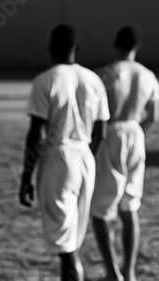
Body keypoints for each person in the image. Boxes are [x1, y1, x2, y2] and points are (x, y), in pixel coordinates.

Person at [19, 25, 110, 281]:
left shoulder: (46, 79)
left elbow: (35, 132)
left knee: (66, 247)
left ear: (50, 48)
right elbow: (101, 132)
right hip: (86, 157)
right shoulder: (94, 80)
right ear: (77, 49)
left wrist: (27, 176)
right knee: (72, 238)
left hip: (59, 157)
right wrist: (85, 156)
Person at [90, 27, 159, 281]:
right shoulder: (148, 76)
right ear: (136, 46)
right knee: (130, 208)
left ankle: (113, 273)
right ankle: (129, 273)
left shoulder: (105, 74)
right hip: (135, 134)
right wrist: (137, 135)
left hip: (111, 134)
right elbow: (153, 116)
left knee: (100, 210)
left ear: (116, 44)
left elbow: (93, 114)